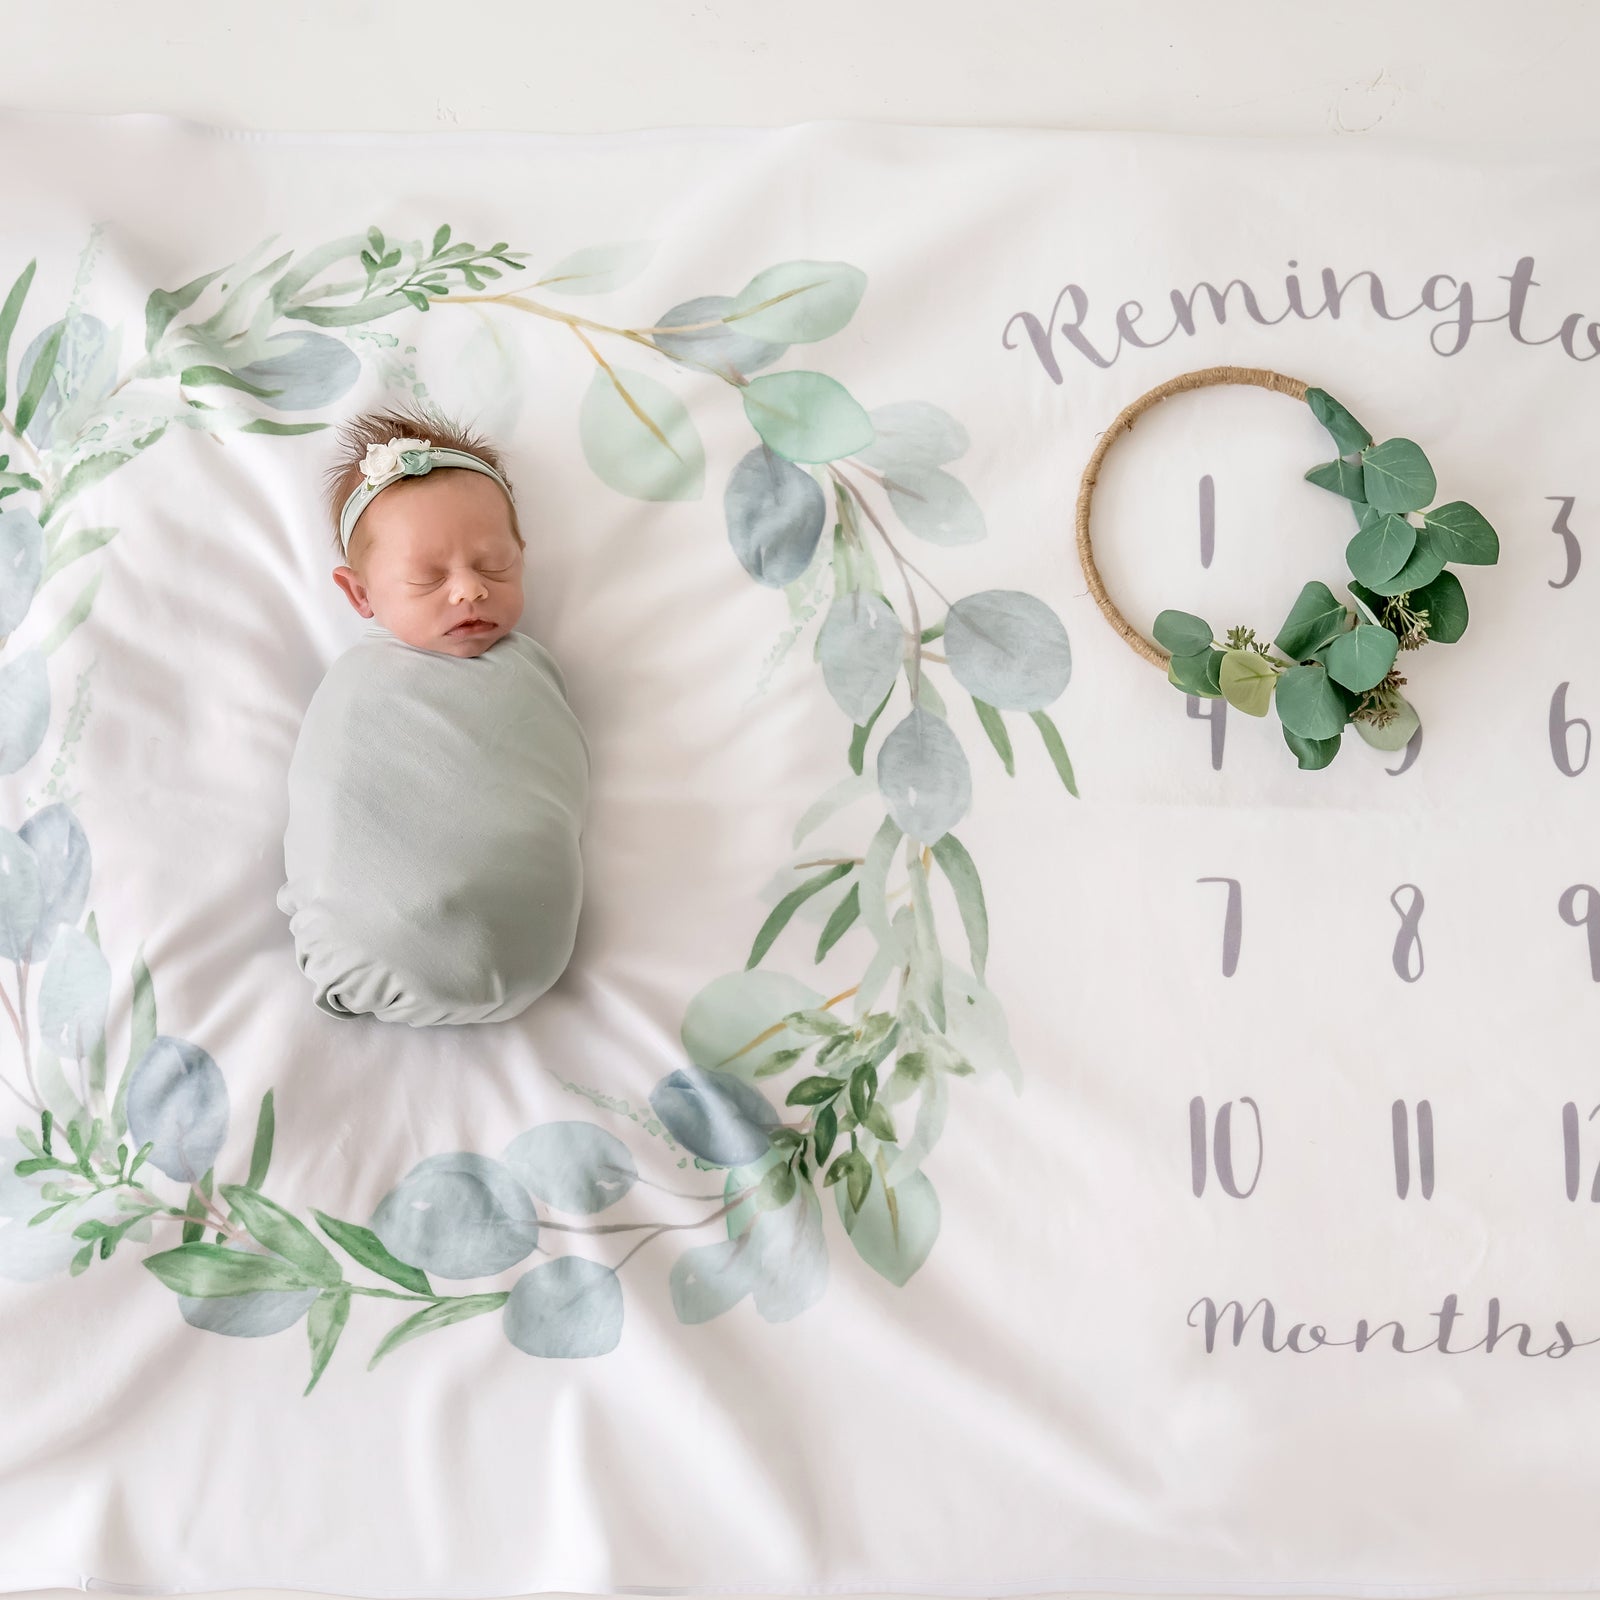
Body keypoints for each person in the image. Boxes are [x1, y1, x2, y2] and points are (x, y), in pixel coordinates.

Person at [274, 401, 590, 1027]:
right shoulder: (361, 685)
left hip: (533, 949)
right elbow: (333, 789)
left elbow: (550, 787)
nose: (470, 589)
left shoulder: (529, 672)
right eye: (426, 577)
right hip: (365, 947)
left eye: (494, 564)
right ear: (359, 593)